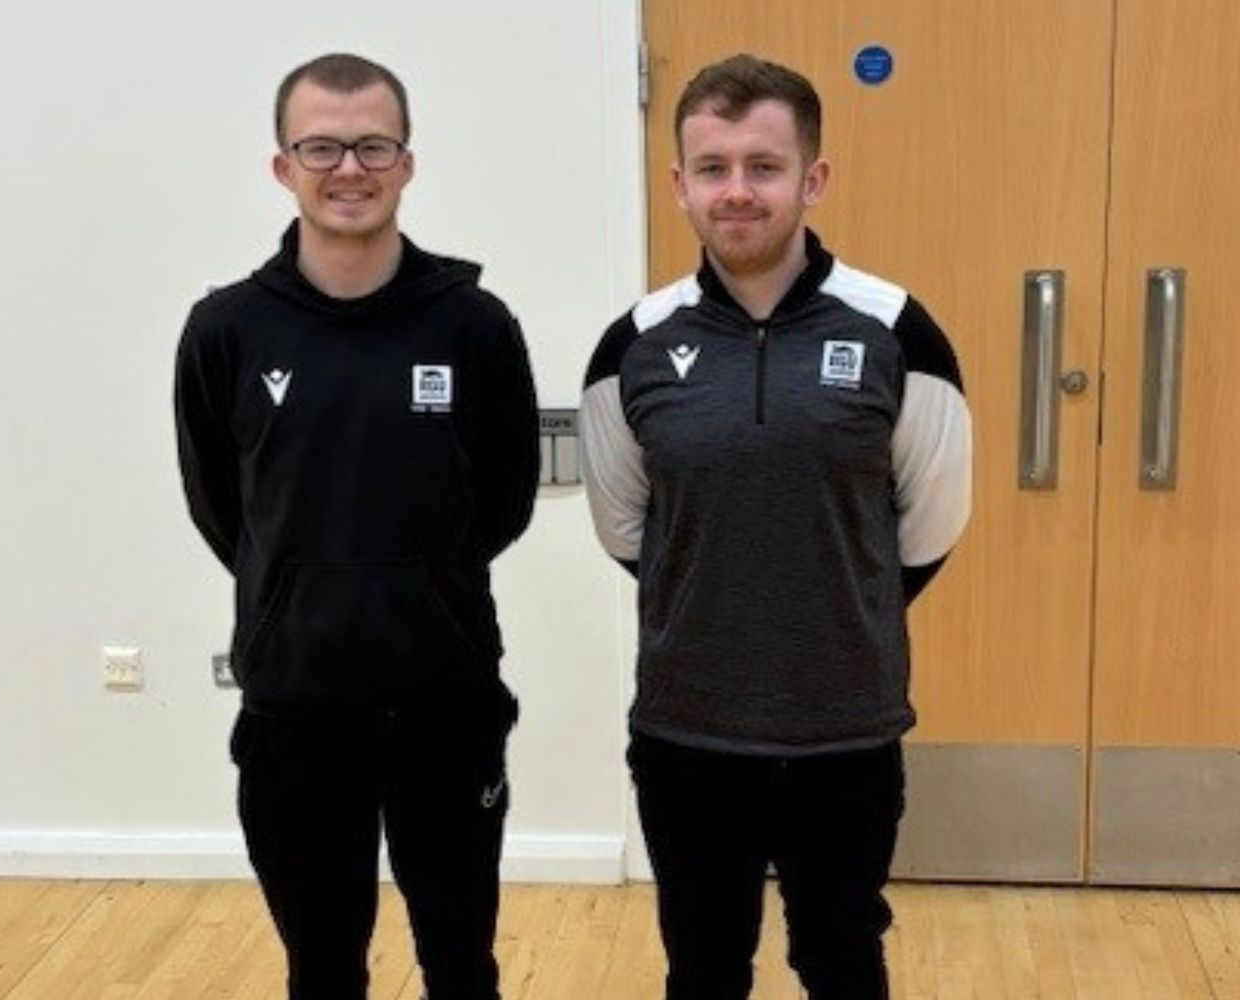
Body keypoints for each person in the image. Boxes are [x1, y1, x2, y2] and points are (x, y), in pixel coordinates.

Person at [579, 54, 972, 1000]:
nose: (738, 191)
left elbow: (930, 522)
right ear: (679, 185)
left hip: (844, 729)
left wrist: (835, 605)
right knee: (703, 967)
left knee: (840, 958)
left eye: (763, 165)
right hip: (686, 728)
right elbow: (624, 525)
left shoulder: (897, 330)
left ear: (813, 177)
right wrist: (718, 596)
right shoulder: (632, 342)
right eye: (712, 169)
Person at [174, 53, 539, 1000]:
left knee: (462, 965)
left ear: (407, 163)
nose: (349, 169)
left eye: (372, 145)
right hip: (294, 713)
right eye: (322, 147)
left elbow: (503, 499)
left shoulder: (474, 327)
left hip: (446, 707)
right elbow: (223, 508)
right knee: (322, 969)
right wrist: (300, 592)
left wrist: (414, 588)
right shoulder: (225, 332)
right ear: (283, 166)